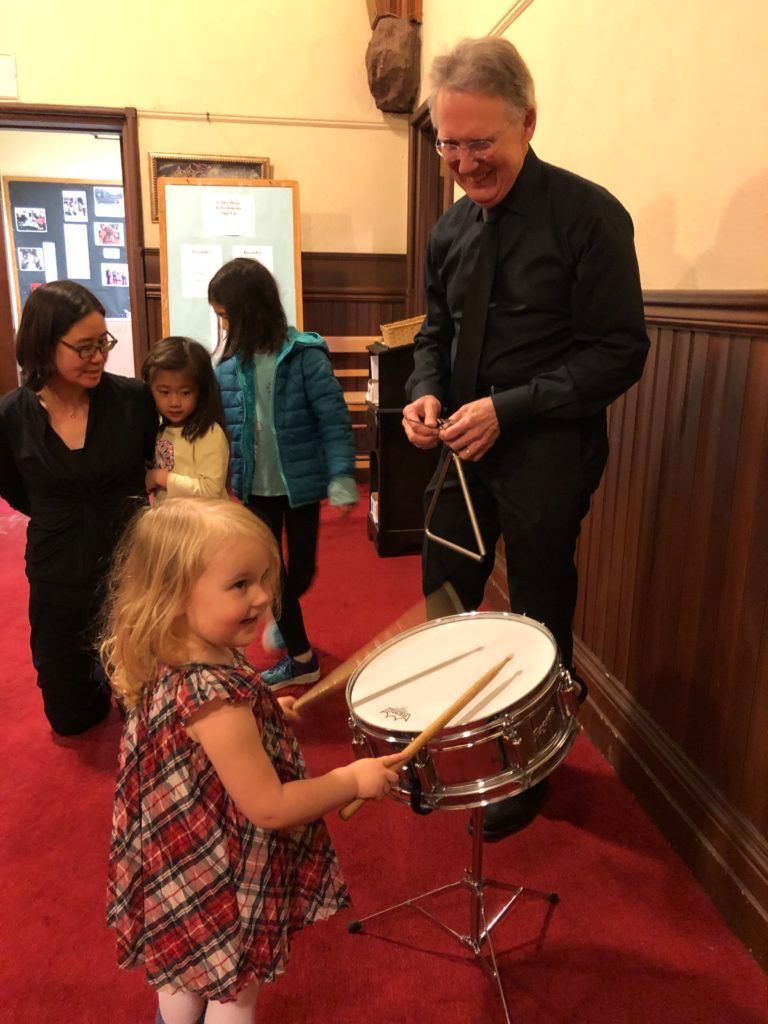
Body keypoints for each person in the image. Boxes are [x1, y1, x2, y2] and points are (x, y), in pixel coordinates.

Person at [402, 38, 649, 841]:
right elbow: (433, 333)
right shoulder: (449, 232)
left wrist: (509, 407)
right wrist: (425, 390)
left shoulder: (591, 216)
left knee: (539, 615)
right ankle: (440, 737)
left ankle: (533, 762)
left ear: (527, 122)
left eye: (482, 143)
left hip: (549, 449)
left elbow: (621, 352)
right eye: (449, 144)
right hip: (460, 449)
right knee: (445, 598)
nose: (466, 163)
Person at [101, 498, 398, 1024]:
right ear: (172, 595)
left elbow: (198, 740)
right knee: (236, 987)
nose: (263, 596)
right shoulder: (213, 695)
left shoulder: (179, 652)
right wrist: (351, 779)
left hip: (177, 857)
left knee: (184, 962)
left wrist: (265, 710)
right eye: (240, 585)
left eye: (264, 578)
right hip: (218, 864)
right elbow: (271, 807)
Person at [0, 280, 157, 735]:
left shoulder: (133, 400)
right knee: (70, 717)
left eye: (102, 343)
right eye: (83, 347)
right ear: (44, 346)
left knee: (146, 707)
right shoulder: (12, 415)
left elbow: (155, 464)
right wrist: (61, 513)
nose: (98, 356)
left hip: (131, 560)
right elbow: (14, 488)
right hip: (57, 564)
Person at [210, 258, 358, 691]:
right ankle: (301, 657)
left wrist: (342, 475)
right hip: (254, 489)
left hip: (300, 487)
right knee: (269, 575)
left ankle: (283, 611)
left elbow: (333, 420)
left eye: (225, 314)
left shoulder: (304, 357)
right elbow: (221, 426)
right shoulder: (227, 364)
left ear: (249, 310)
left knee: (301, 573)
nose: (221, 324)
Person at [142, 336, 229, 505]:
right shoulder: (159, 429)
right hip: (170, 521)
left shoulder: (208, 432)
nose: (175, 402)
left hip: (201, 524)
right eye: (164, 392)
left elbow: (210, 489)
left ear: (201, 391)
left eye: (185, 392)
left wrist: (160, 477)